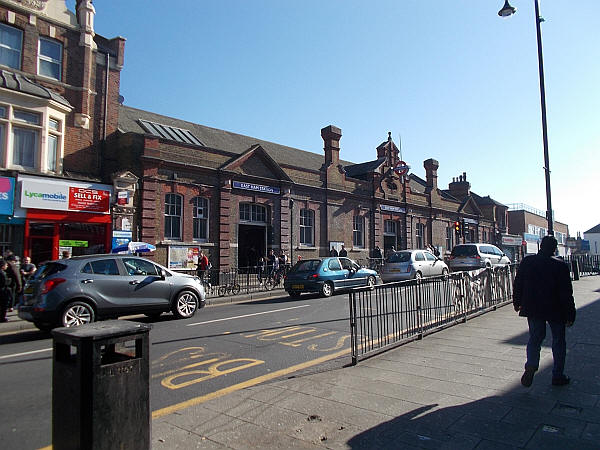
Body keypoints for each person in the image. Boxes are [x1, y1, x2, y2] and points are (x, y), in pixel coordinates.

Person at [513, 235, 576, 387]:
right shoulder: (560, 266)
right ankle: (557, 375)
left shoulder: (528, 262)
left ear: (540, 246)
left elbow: (518, 283)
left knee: (535, 337)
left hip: (534, 307)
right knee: (559, 341)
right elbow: (566, 293)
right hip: (556, 309)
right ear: (554, 249)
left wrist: (517, 302)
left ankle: (531, 365)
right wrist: (570, 313)